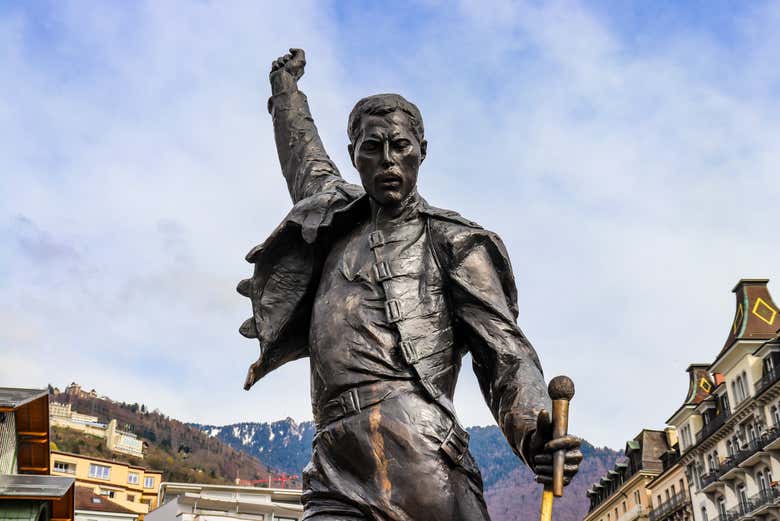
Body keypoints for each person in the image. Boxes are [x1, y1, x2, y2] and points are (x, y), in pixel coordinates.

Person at [238, 48, 582, 521]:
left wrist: (533, 431)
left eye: (400, 146)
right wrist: (285, 92)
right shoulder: (335, 217)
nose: (387, 161)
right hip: (334, 456)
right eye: (372, 148)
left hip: (418, 453)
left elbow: (505, 353)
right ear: (353, 156)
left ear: (422, 151)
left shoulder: (453, 241)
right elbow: (302, 156)